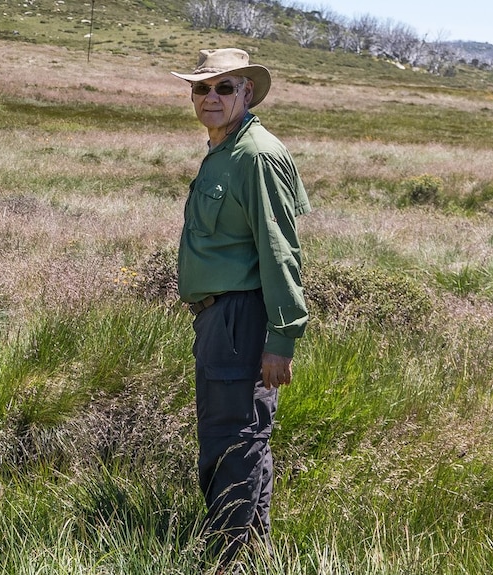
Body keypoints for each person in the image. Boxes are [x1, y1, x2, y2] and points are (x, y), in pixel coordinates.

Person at [171, 48, 311, 570]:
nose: (210, 97)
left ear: (246, 92)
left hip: (241, 318)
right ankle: (251, 553)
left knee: (231, 441)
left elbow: (281, 251)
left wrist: (282, 338)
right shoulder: (224, 148)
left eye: (223, 88)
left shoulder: (257, 155)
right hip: (219, 318)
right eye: (201, 88)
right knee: (239, 436)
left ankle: (224, 558)